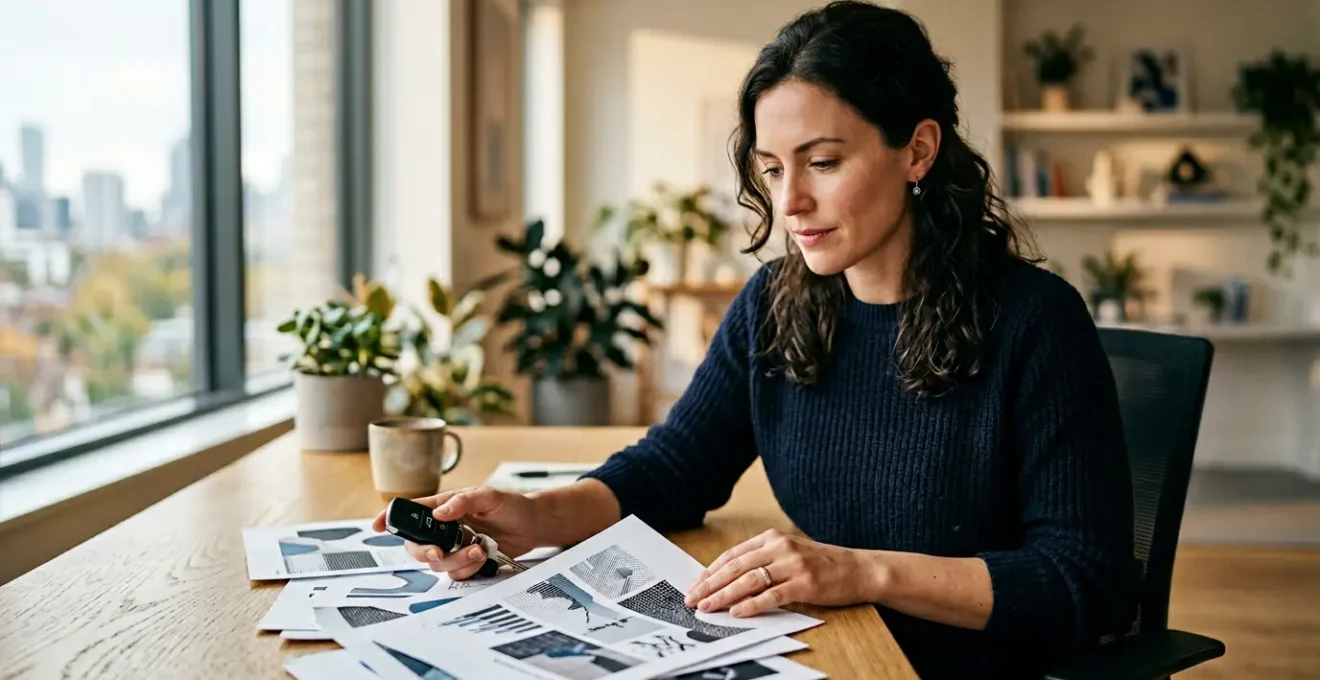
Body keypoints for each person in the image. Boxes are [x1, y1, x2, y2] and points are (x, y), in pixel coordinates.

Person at [372, 1, 1142, 677]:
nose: (792, 202)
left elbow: (1085, 581)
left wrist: (859, 573)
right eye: (772, 170)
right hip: (823, 648)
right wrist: (533, 515)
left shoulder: (1036, 323)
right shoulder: (777, 302)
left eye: (825, 163)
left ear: (918, 150)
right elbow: (677, 468)